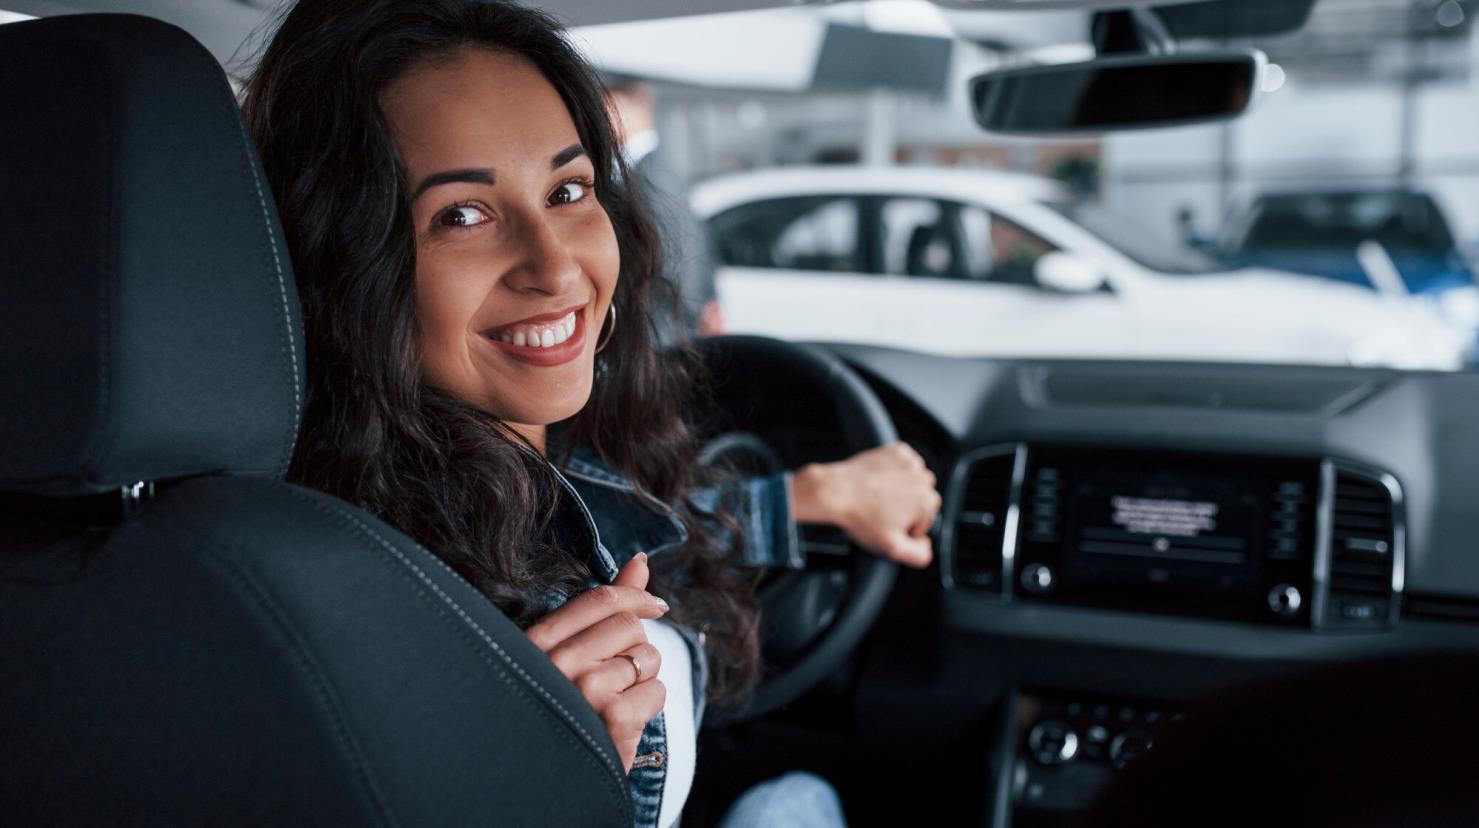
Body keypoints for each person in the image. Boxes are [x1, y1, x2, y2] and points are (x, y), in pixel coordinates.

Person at [242, 2, 941, 826]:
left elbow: (638, 541)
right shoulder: (351, 613)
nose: (555, 266)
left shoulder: (535, 472)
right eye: (461, 215)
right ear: (340, 263)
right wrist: (541, 784)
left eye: (567, 190)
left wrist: (806, 500)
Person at [604, 76, 725, 342]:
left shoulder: (652, 173)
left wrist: (668, 326)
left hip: (659, 331)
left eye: (610, 109)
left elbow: (678, 255)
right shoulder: (644, 168)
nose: (602, 119)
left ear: (639, 111)